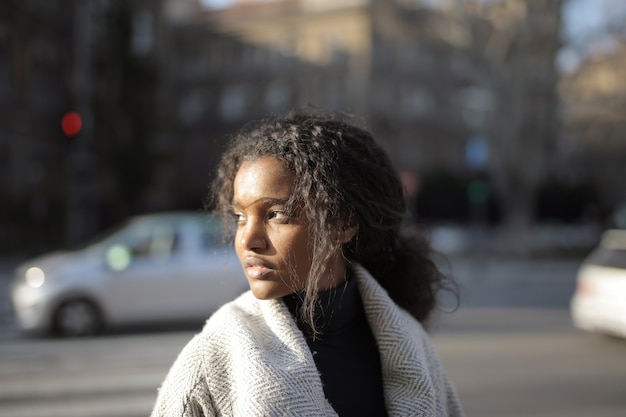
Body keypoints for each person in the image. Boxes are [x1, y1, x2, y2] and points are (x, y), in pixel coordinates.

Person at [151, 110, 465, 417]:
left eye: (275, 214)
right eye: (240, 217)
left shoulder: (412, 345)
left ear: (342, 225)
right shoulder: (213, 357)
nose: (247, 239)